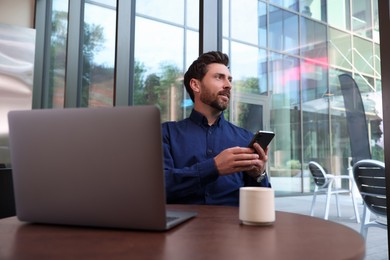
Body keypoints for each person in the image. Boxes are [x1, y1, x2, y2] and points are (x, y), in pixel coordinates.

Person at [162, 51, 271, 206]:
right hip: (181, 228)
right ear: (195, 85)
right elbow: (159, 186)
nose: (228, 85)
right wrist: (213, 167)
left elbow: (262, 205)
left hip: (235, 228)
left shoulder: (245, 138)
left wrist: (259, 176)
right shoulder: (166, 133)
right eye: (219, 77)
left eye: (229, 79)